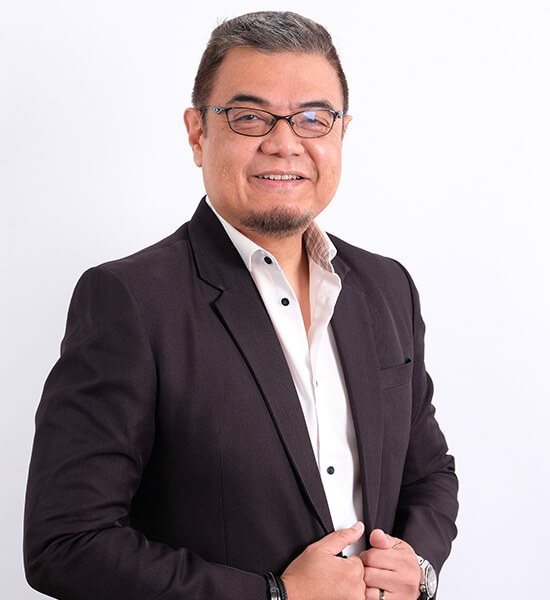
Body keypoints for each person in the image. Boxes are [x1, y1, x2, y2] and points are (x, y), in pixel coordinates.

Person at [24, 11, 458, 600]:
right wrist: (274, 595)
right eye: (250, 117)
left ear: (341, 134)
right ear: (198, 133)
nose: (285, 143)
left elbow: (429, 473)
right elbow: (67, 544)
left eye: (313, 118)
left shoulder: (387, 287)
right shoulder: (129, 301)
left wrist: (419, 567)